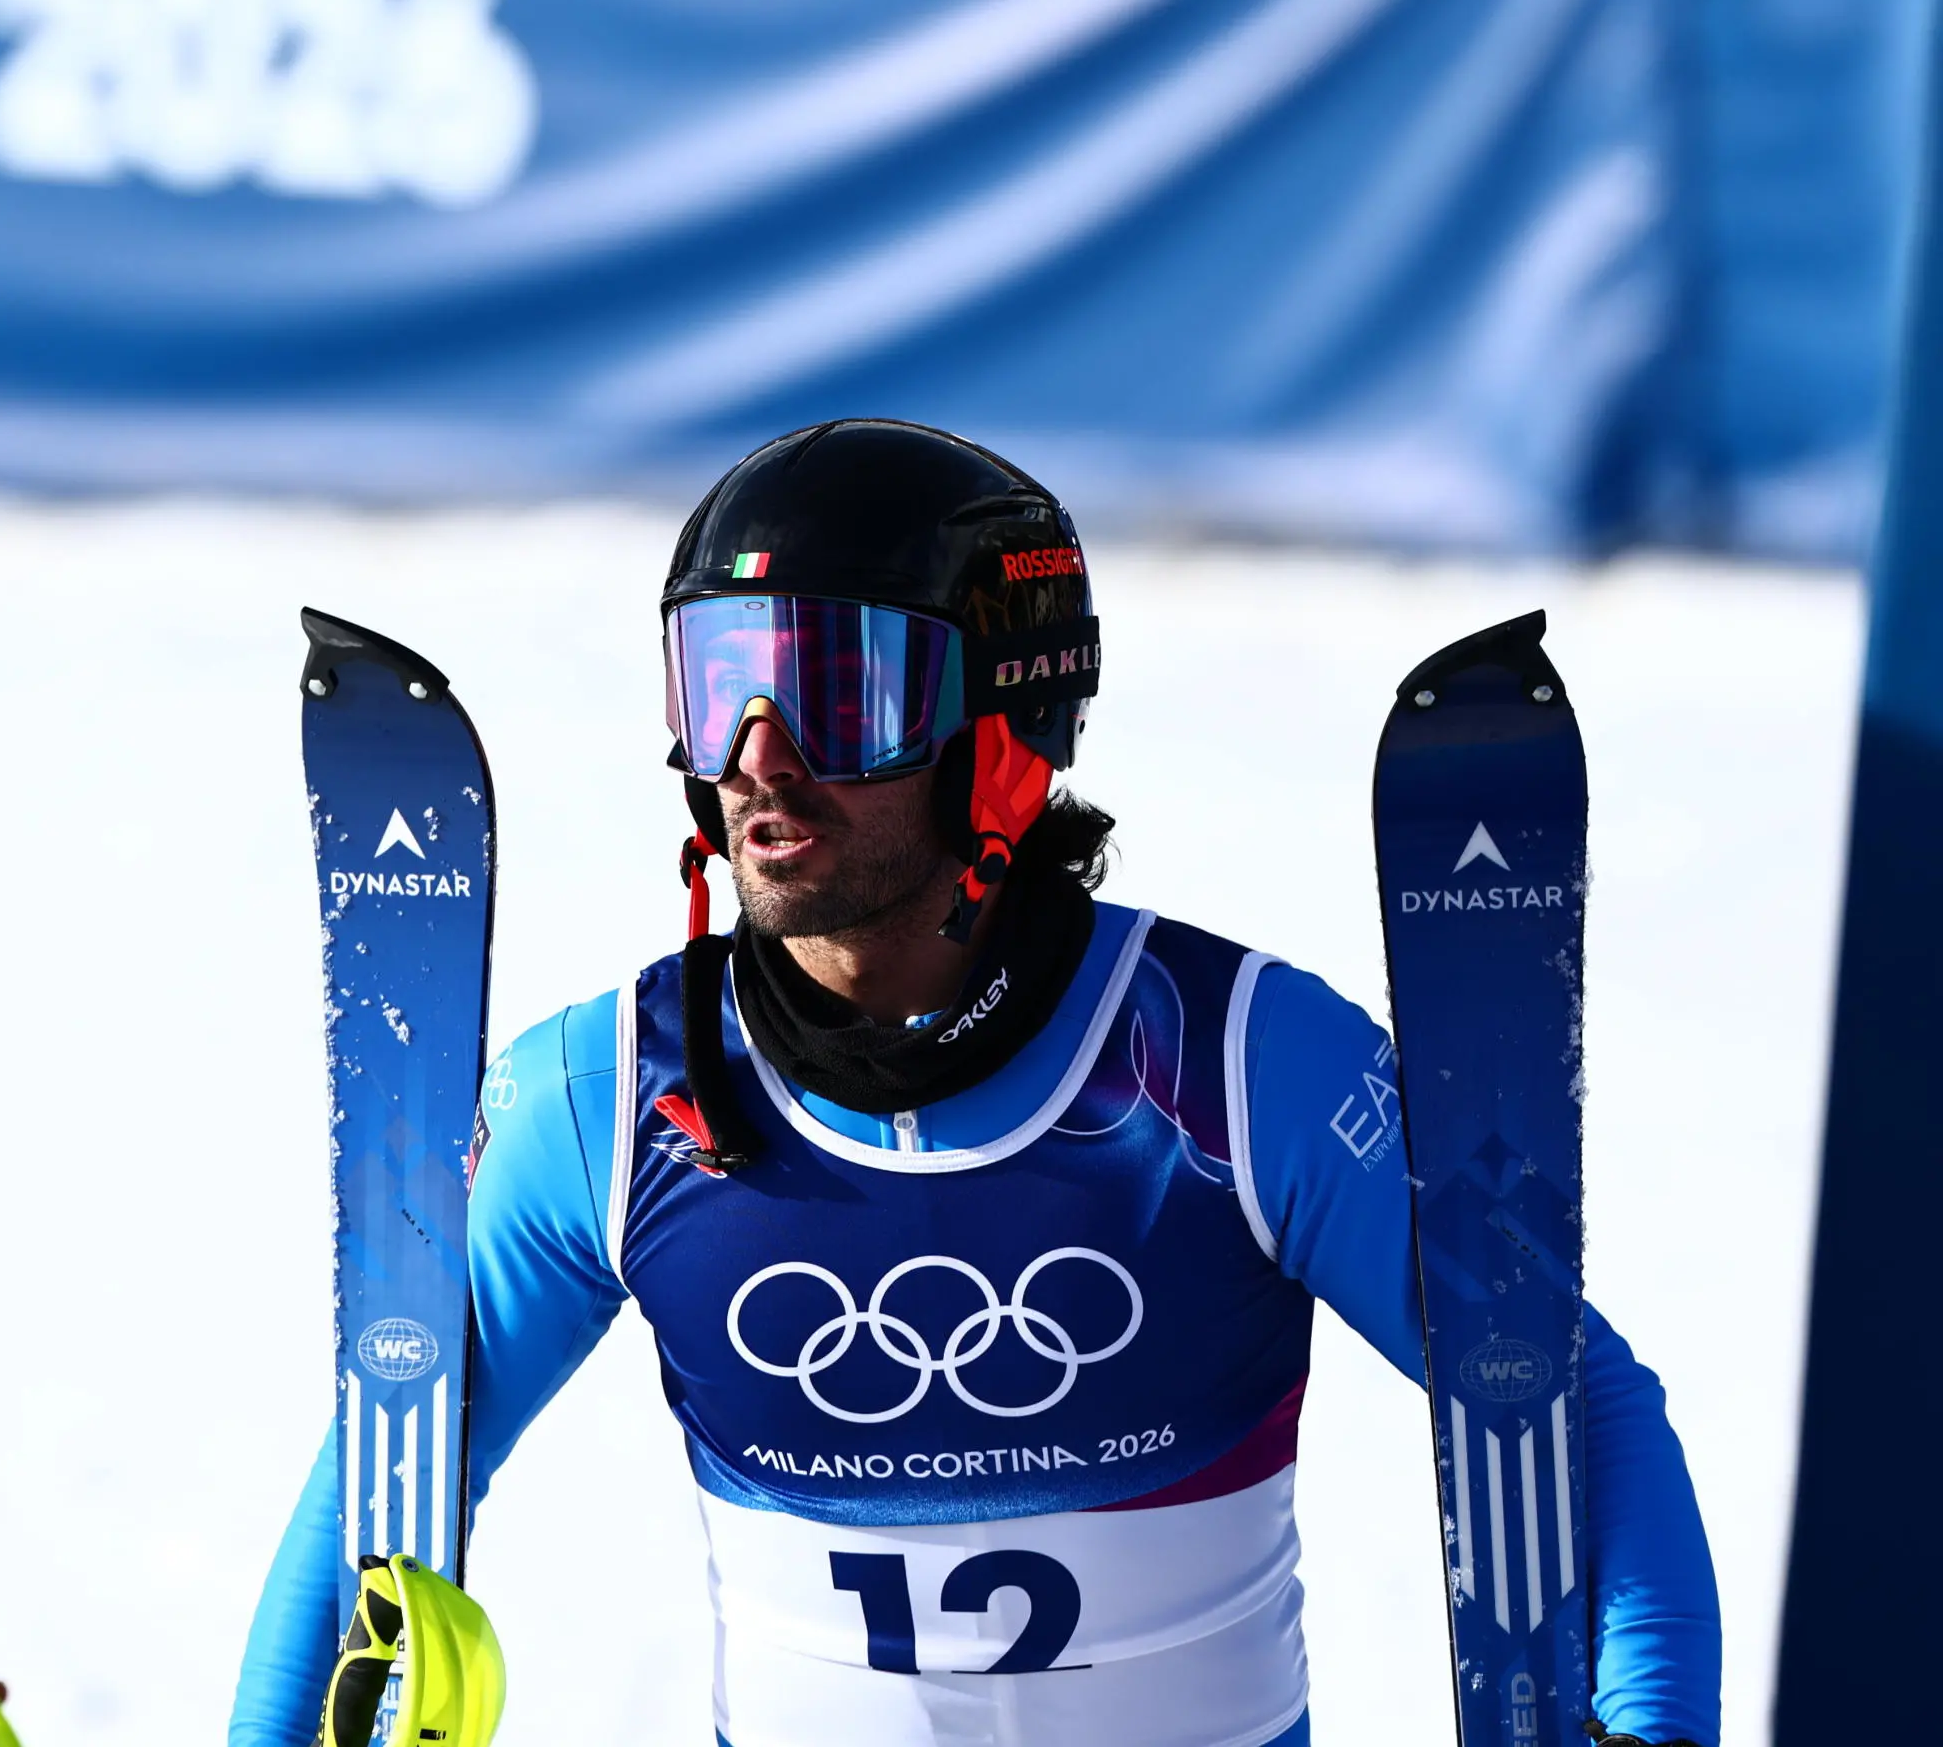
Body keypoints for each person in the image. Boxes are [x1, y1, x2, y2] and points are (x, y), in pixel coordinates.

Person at [228, 420, 1721, 1747]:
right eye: (721, 681)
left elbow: (1573, 1400)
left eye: (837, 690)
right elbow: (387, 1458)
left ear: (1002, 742)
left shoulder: (1233, 1070)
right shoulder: (609, 1100)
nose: (758, 757)